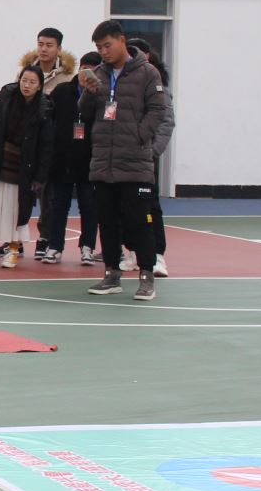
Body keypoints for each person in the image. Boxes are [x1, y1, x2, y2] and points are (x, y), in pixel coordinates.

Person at [80, 20, 170, 301]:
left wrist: (139, 136)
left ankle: (146, 277)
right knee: (107, 221)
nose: (103, 52)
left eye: (107, 45)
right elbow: (84, 112)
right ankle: (111, 274)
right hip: (103, 162)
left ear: (122, 40)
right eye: (99, 47)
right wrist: (87, 92)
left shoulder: (148, 73)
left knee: (139, 222)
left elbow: (158, 110)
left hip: (135, 163)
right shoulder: (98, 74)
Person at [0, 27, 76, 261]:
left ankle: (45, 238)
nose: (43, 49)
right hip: (24, 144)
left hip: (51, 144)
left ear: (59, 48)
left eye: (49, 45)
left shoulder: (67, 77)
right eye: (40, 44)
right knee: (16, 194)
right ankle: (14, 240)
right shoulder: (26, 72)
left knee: (48, 194)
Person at [0, 65, 55, 268]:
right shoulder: (5, 95)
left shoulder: (45, 108)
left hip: (23, 168)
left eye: (32, 82)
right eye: (24, 80)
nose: (26, 85)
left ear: (39, 86)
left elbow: (46, 146)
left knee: (16, 210)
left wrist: (40, 176)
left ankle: (13, 250)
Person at [45, 51, 104, 266]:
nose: (86, 74)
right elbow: (47, 118)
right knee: (58, 205)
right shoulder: (62, 91)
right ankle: (54, 247)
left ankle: (87, 247)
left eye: (92, 71)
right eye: (84, 69)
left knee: (89, 206)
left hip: (90, 162)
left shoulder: (102, 96)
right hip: (62, 160)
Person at [121, 38, 174, 278]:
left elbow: (166, 122)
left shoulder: (157, 83)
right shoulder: (120, 80)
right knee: (124, 205)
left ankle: (158, 255)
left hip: (145, 157)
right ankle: (132, 252)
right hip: (122, 156)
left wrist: (151, 151)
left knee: (150, 206)